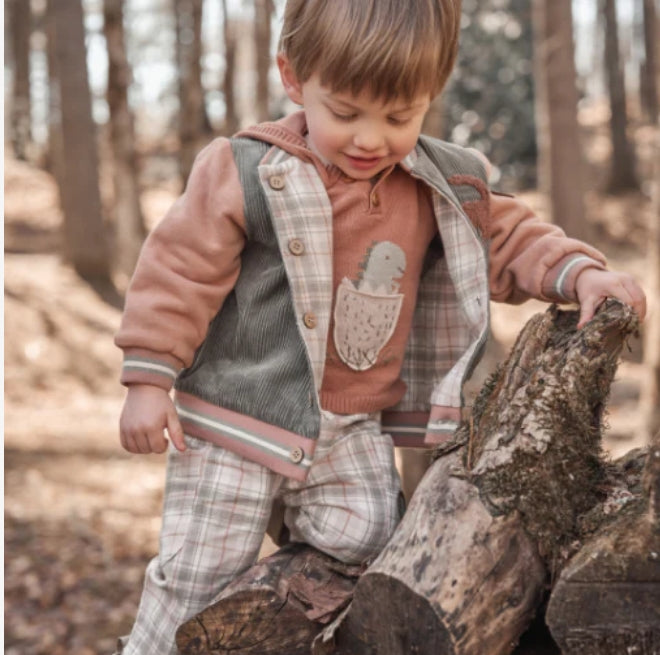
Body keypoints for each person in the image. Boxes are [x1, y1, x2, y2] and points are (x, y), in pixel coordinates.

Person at [113, 1, 647, 652]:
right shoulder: (248, 170)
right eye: (345, 112)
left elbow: (509, 237)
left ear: (431, 94)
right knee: (196, 575)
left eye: (400, 116)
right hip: (235, 425)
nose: (372, 138)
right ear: (292, 78)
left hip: (352, 429)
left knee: (372, 542)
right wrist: (148, 375)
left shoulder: (440, 182)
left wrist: (578, 273)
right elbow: (178, 268)